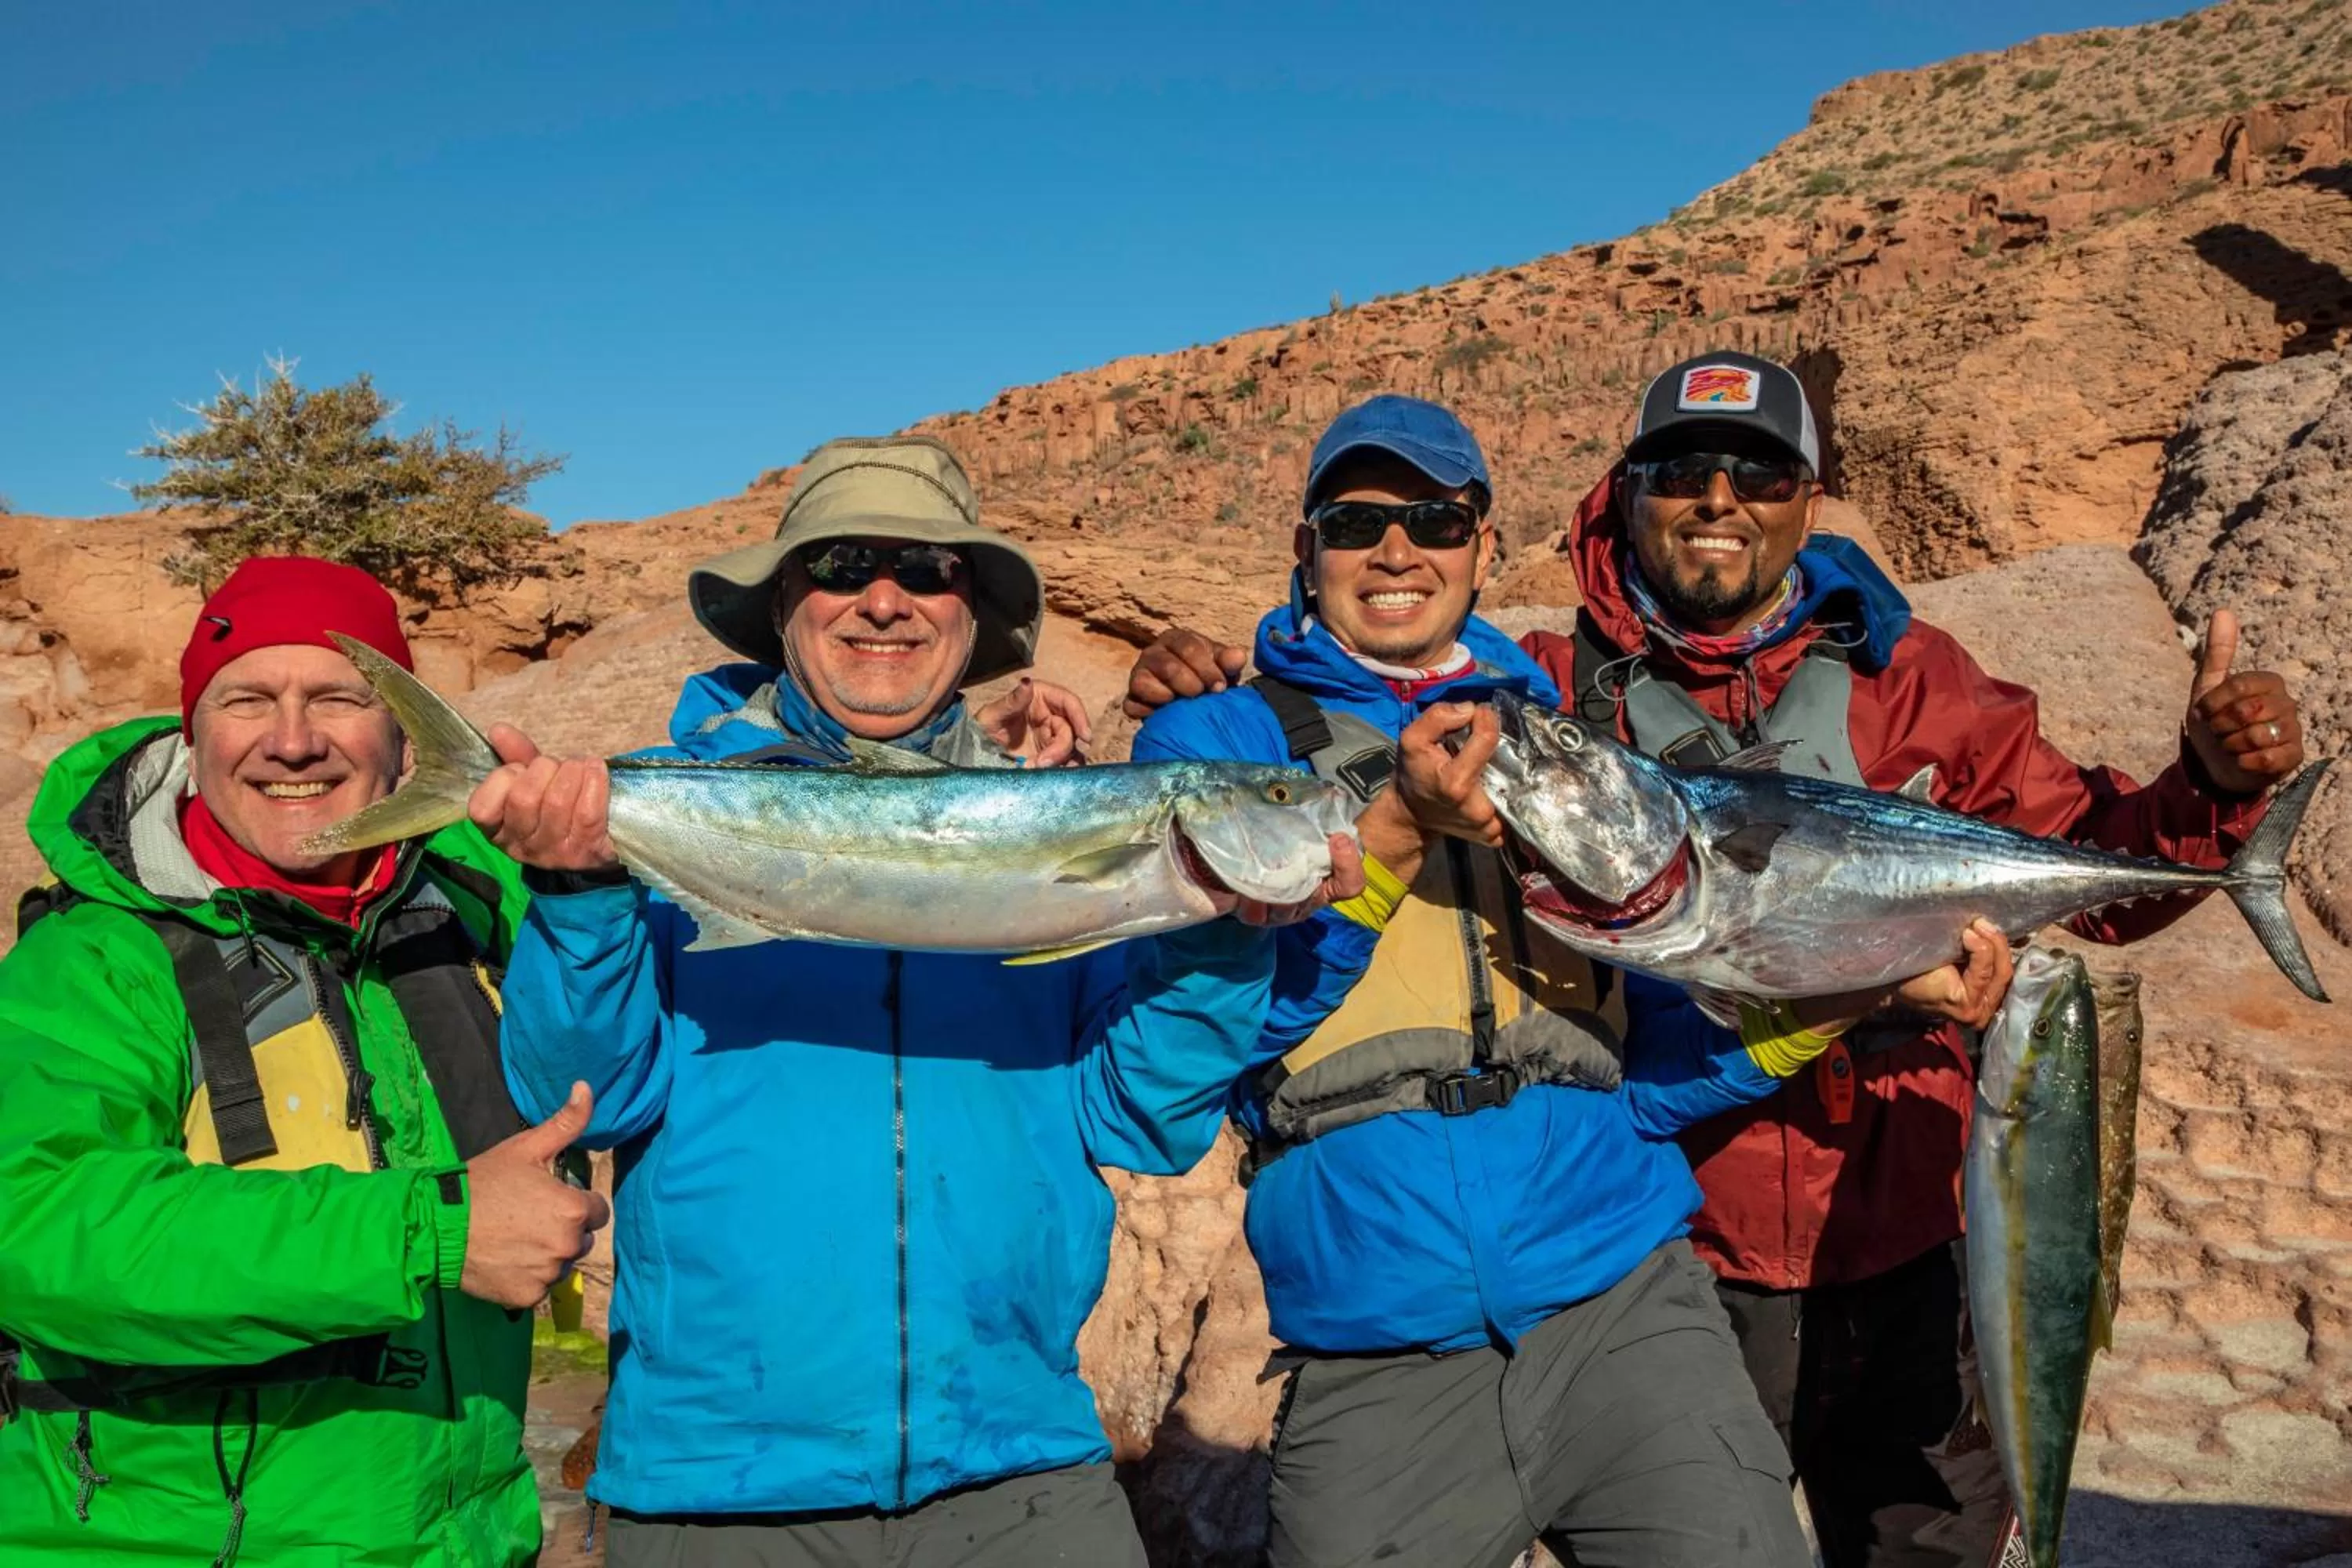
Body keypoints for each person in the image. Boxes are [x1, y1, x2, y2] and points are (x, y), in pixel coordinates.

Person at [1121, 395, 2011, 1568]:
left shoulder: (1567, 747)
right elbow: (1212, 1048)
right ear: (1308, 550)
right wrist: (1392, 835)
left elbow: (1645, 1073)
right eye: (1356, 521)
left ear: (1484, 549)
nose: (1398, 552)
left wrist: (1858, 996)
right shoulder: (1212, 747)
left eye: (1436, 520)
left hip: (1630, 1311)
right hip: (1375, 1342)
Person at [470, 434, 1360, 1568]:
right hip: (716, 1483)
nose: (883, 601)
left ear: (969, 611)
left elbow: (1143, 1120)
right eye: (841, 565)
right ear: (784, 601)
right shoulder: (659, 806)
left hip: (1022, 1467)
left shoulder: (1065, 828)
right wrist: (576, 894)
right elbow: (582, 1102)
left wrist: (1228, 941)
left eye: (928, 571)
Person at [1512, 350, 2308, 1567]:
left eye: (1762, 473)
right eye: (1682, 468)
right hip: (1660, 1239)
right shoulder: (1550, 692)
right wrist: (1207, 695)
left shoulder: (1915, 676)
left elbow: (2087, 880)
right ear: (1627, 491)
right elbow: (1373, 719)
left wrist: (2205, 791)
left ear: (1810, 502)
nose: (1720, 496)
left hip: (1911, 1230)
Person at [0, 557, 608, 1566]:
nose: (293, 741)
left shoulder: (482, 911)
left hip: (465, 1539)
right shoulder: (96, 959)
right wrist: (431, 1234)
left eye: (338, 697)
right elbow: (35, 1223)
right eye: (248, 700)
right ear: (194, 741)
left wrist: (583, 894)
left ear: (402, 742)